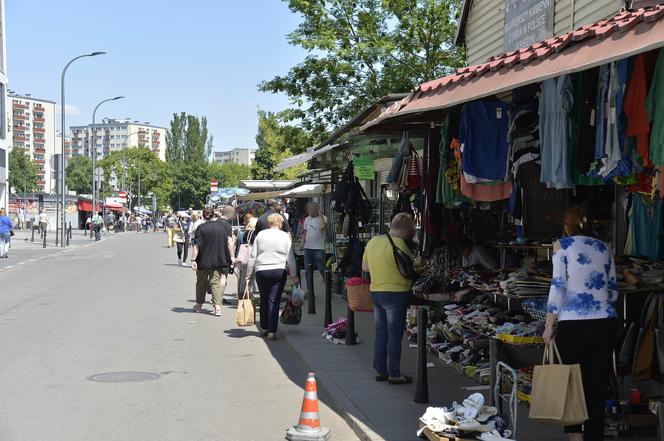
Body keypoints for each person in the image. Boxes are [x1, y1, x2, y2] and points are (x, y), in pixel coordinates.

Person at [543, 206, 618, 441]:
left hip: (573, 325)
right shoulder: (605, 247)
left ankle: (575, 439)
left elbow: (558, 285)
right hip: (605, 323)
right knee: (596, 388)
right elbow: (613, 291)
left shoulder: (562, 246)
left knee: (571, 387)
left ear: (566, 227)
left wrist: (548, 325)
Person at [361, 213, 417, 385]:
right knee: (394, 334)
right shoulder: (399, 243)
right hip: (396, 292)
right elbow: (411, 266)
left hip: (376, 292)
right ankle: (394, 373)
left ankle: (381, 370)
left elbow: (365, 267)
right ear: (408, 229)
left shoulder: (373, 242)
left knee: (381, 332)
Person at [247, 213, 299, 340]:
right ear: (280, 223)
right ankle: (272, 330)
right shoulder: (285, 236)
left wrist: (248, 274)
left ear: (269, 223)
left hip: (262, 270)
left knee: (264, 298)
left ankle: (264, 327)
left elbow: (253, 256)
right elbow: (290, 257)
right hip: (278, 270)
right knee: (274, 300)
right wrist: (294, 275)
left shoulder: (260, 235)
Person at [191, 207, 232, 317]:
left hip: (203, 260)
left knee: (201, 283)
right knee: (215, 283)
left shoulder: (201, 228)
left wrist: (193, 259)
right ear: (214, 215)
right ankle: (217, 308)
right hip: (218, 259)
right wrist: (231, 256)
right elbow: (229, 242)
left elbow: (196, 246)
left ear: (203, 216)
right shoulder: (221, 227)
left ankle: (199, 306)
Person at [300, 202, 328, 279]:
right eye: (308, 209)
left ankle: (328, 283)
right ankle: (309, 289)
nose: (309, 211)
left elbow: (322, 227)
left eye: (311, 209)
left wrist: (320, 215)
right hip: (307, 248)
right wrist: (302, 243)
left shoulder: (323, 218)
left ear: (316, 209)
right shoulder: (307, 219)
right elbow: (305, 233)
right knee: (307, 269)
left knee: (321, 267)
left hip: (318, 248)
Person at [236, 215, 257, 299]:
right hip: (251, 256)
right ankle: (247, 295)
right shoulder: (254, 233)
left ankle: (243, 294)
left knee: (243, 277)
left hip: (244, 257)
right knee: (250, 277)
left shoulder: (245, 233)